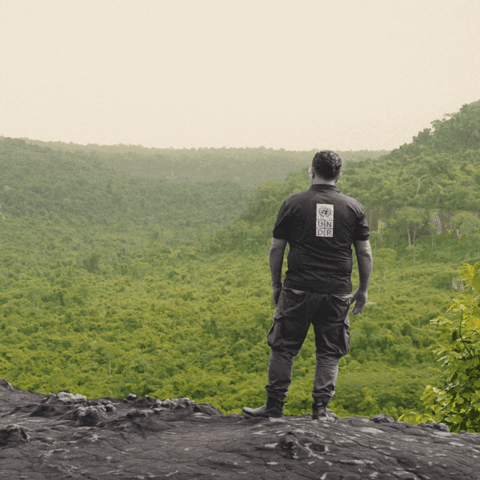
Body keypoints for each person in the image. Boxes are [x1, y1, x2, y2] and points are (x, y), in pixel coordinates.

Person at [241, 150, 373, 420]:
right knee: (329, 351)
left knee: (283, 347)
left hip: (297, 288)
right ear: (339, 175)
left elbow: (276, 248)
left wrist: (276, 285)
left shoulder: (293, 203)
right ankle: (321, 410)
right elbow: (364, 252)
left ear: (311, 171)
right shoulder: (353, 207)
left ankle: (274, 407)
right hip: (337, 291)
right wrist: (363, 289)